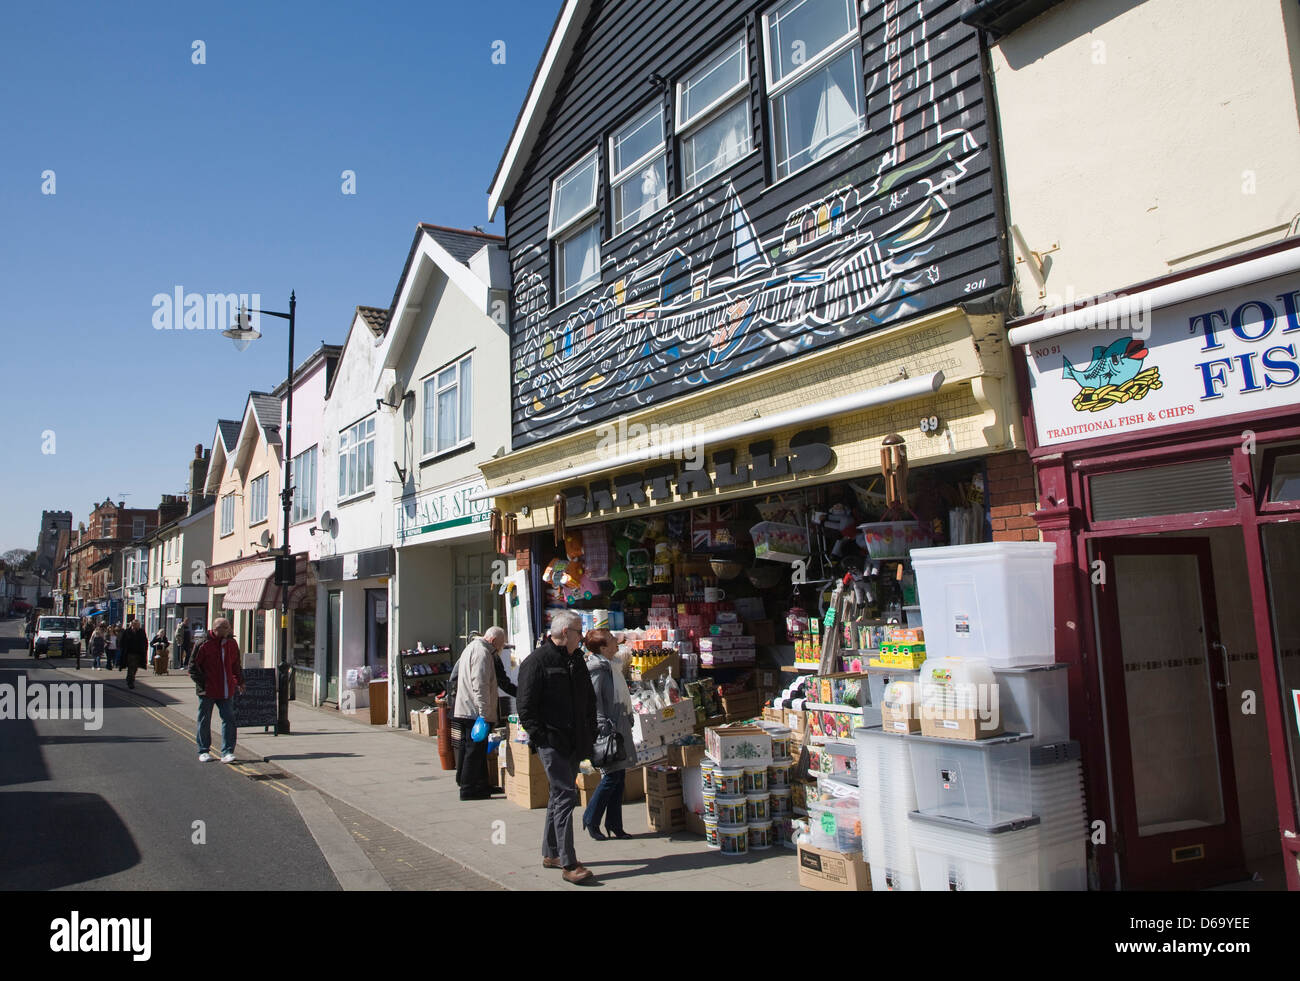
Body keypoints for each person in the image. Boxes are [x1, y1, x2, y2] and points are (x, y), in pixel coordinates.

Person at [516, 611, 598, 885]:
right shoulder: (537, 662)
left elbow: (587, 698)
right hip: (552, 742)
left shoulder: (576, 660)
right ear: (566, 633)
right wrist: (542, 737)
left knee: (557, 797)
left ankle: (551, 853)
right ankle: (569, 863)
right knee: (565, 796)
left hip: (575, 741)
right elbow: (525, 707)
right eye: (578, 631)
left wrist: (590, 728)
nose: (582, 637)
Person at [581, 628, 636, 840]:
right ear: (603, 648)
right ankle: (591, 818)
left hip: (619, 724)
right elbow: (594, 701)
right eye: (612, 640)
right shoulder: (598, 669)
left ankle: (614, 824)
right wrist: (603, 726)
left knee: (619, 777)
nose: (617, 642)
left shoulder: (612, 666)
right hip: (608, 729)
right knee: (612, 776)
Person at [452, 626, 508, 801]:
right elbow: (480, 684)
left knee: (472, 748)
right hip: (474, 711)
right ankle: (468, 789)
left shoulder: (471, 648)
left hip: (466, 708)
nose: (499, 650)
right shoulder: (482, 653)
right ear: (493, 641)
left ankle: (477, 784)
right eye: (500, 645)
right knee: (474, 750)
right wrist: (484, 713)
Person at [191, 618, 245, 763]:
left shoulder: (232, 644)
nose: (229, 630)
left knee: (229, 719)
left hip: (226, 689)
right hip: (207, 690)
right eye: (225, 627)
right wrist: (204, 683)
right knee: (204, 719)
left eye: (228, 627)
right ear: (216, 629)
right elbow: (193, 667)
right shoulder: (203, 643)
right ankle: (204, 750)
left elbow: (235, 664)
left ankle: (227, 751)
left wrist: (240, 681)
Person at [120, 619, 149, 689]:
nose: (138, 626)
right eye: (137, 625)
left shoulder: (141, 632)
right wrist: (122, 649)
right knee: (131, 667)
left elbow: (145, 641)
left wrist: (145, 649)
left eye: (139, 625)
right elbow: (122, 641)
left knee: (135, 668)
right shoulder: (127, 632)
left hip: (138, 653)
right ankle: (131, 682)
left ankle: (129, 678)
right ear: (133, 625)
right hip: (129, 653)